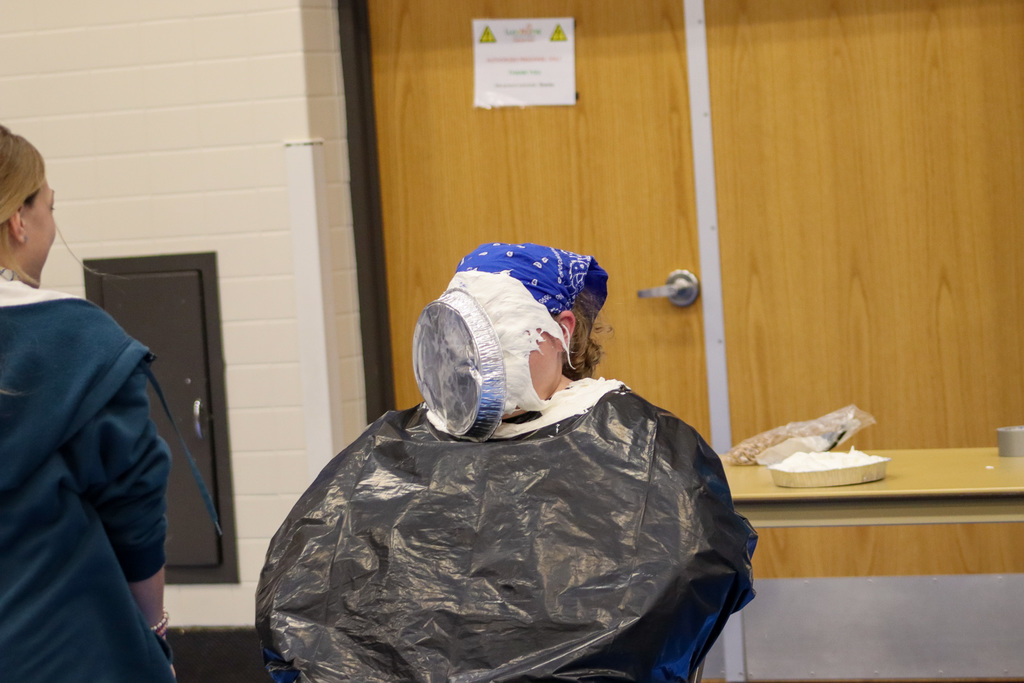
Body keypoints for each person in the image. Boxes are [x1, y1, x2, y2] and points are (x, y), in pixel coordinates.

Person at [258, 242, 756, 682]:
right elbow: (307, 592)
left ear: (560, 331)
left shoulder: (640, 444)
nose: (473, 358)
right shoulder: (395, 444)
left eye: (499, 332)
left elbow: (678, 581)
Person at [0, 124, 176, 682]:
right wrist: (152, 632)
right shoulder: (73, 342)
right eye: (49, 206)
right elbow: (136, 510)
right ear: (19, 221)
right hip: (58, 648)